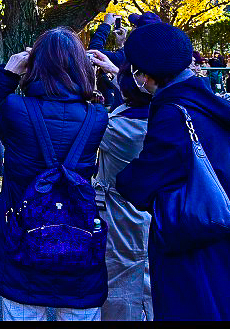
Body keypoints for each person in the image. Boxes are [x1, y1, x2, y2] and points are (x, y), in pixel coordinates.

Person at [116, 23, 230, 321]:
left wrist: (123, 177)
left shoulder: (171, 112)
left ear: (147, 74)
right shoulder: (206, 101)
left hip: (199, 232)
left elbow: (142, 182)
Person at [0, 29, 109, 320]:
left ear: (34, 65)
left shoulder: (15, 108)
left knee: (22, 308)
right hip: (78, 234)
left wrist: (9, 74)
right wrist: (114, 72)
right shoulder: (97, 116)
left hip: (23, 233)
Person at [88, 50, 153, 321]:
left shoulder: (114, 129)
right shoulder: (165, 118)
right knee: (155, 278)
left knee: (119, 282)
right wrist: (117, 72)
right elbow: (143, 94)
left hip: (118, 213)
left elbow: (88, 121)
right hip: (155, 211)